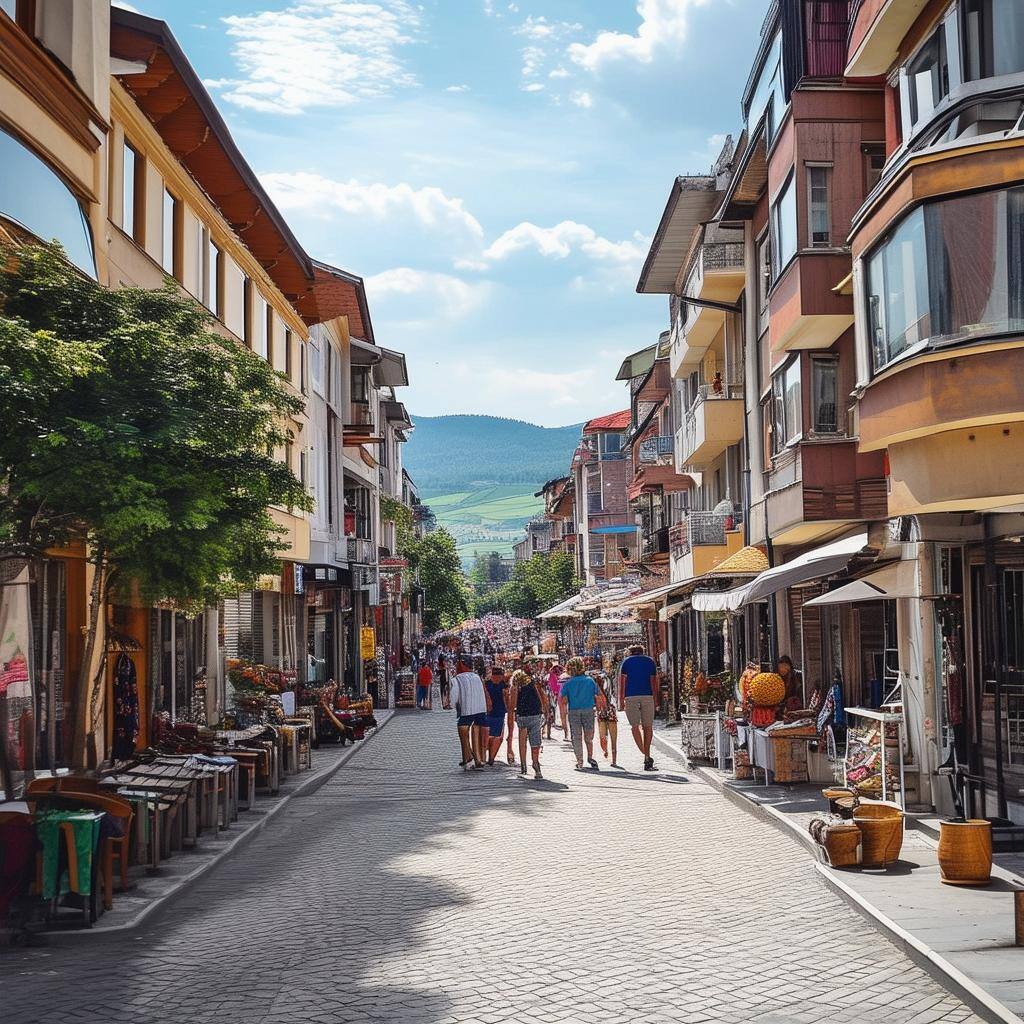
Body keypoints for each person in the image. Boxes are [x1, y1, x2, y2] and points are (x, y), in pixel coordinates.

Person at [619, 643, 659, 771]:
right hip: (648, 696)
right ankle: (647, 755)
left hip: (630, 697)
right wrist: (656, 700)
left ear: (630, 652)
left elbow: (622, 683)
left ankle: (645, 754)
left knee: (634, 726)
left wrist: (621, 700)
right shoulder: (650, 661)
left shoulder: (626, 662)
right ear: (642, 651)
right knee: (648, 726)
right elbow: (654, 682)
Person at [561, 656, 600, 771]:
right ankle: (590, 758)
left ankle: (580, 761)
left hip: (574, 711)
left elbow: (564, 701)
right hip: (588, 710)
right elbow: (597, 695)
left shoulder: (567, 683)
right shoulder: (590, 680)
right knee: (589, 737)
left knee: (576, 737)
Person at [450, 657, 487, 770]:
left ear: (462, 665)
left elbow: (454, 696)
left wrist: (453, 705)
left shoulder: (457, 679)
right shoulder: (477, 677)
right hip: (481, 709)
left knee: (463, 731)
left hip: (467, 710)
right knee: (476, 730)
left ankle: (468, 757)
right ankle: (478, 758)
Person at [511, 668, 547, 779]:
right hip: (535, 714)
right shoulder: (532, 683)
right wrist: (543, 710)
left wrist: (513, 713)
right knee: (535, 741)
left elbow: (513, 703)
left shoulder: (515, 687)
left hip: (522, 715)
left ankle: (523, 765)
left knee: (522, 741)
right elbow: (540, 696)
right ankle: (535, 763)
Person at [484, 665, 513, 765]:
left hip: (495, 714)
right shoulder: (501, 685)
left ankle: (490, 758)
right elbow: (507, 700)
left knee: (494, 737)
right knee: (494, 737)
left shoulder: (489, 684)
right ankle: (490, 758)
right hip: (493, 714)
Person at [595, 672, 619, 766]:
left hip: (604, 712)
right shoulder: (608, 687)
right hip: (610, 712)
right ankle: (613, 760)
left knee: (604, 736)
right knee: (612, 738)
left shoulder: (597, 691)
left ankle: (608, 754)